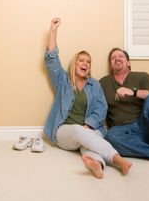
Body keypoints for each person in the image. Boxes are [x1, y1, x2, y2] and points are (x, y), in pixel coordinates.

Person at [43, 18, 132, 178]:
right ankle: (118, 159)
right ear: (75, 63)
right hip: (65, 132)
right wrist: (53, 31)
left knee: (90, 142)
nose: (85, 63)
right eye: (81, 60)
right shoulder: (63, 80)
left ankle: (97, 166)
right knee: (79, 131)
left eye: (88, 62)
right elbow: (51, 60)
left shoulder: (95, 85)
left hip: (89, 130)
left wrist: (89, 125)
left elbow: (101, 108)